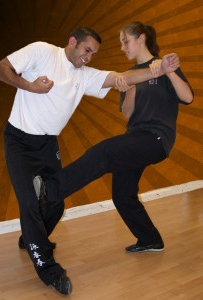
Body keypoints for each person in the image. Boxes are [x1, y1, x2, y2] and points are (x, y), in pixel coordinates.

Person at [0, 26, 180, 296]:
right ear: (72, 42)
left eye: (93, 53)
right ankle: (49, 270)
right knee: (31, 204)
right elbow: (0, 68)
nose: (88, 56)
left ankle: (30, 238)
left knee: (55, 204)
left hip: (47, 145)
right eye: (86, 49)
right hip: (19, 141)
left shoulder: (85, 76)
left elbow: (122, 76)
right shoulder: (42, 51)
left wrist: (159, 70)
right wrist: (29, 85)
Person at [33, 20, 193, 285]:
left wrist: (167, 71)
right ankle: (150, 239)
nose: (122, 47)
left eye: (125, 41)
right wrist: (128, 88)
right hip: (136, 139)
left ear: (141, 39)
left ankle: (50, 190)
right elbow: (129, 115)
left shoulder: (164, 65)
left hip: (156, 139)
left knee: (105, 152)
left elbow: (187, 98)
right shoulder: (130, 73)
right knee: (122, 194)